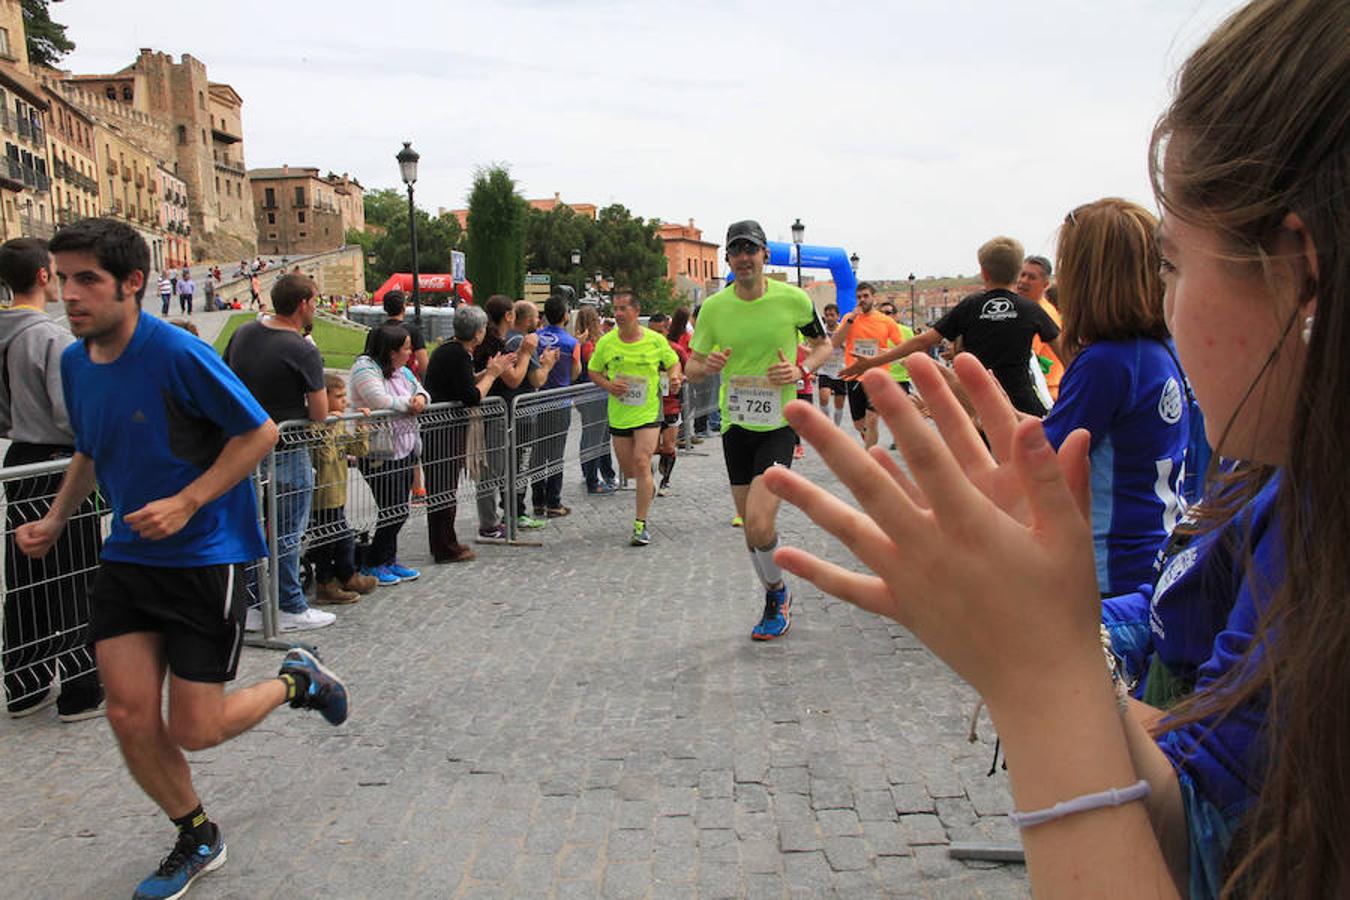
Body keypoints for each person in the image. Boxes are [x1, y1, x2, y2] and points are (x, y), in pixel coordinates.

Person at [765, 0, 1346, 893]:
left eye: (1177, 264)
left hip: (1116, 573)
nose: (1167, 298)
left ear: (1298, 271)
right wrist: (1047, 652)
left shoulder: (1288, 497)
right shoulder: (1283, 482)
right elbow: (1217, 787)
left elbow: (1208, 839)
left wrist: (1037, 677)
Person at [17, 217, 347, 900]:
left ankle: (296, 681)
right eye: (63, 277)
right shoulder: (75, 361)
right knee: (127, 714)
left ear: (132, 282)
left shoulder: (176, 354)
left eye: (87, 280)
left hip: (206, 554)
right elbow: (89, 447)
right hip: (130, 558)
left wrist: (188, 502)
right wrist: (53, 518)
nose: (69, 295)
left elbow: (258, 432)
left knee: (194, 729)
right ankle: (196, 833)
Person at [684, 220, 831, 639]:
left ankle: (774, 596)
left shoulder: (794, 300)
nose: (744, 258)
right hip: (736, 426)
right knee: (750, 528)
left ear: (766, 255)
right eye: (736, 251)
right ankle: (775, 588)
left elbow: (824, 345)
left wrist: (801, 369)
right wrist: (705, 367)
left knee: (760, 523)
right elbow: (690, 369)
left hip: (779, 425)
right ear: (728, 260)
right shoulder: (713, 308)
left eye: (751, 250)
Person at [1040, 198, 1190, 596]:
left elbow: (1043, 462)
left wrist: (975, 412)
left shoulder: (1104, 363)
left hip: (1111, 572)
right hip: (1155, 553)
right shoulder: (1161, 350)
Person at [0, 237, 105, 722]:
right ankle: (82, 688)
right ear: (44, 276)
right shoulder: (51, 337)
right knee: (76, 573)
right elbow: (71, 415)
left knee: (24, 577)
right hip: (59, 459)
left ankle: (24, 684)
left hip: (21, 455)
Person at [224, 274, 334, 632]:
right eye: (315, 301)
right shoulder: (303, 349)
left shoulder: (244, 333)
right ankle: (289, 603)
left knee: (254, 528)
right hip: (285, 448)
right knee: (287, 531)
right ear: (302, 304)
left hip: (243, 447)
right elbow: (319, 413)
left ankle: (255, 604)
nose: (316, 307)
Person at [843, 237, 1061, 417]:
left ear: (984, 273)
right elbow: (1067, 354)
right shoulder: (1030, 309)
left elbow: (922, 341)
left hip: (977, 403)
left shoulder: (971, 305)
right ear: (1016, 273)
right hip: (1022, 403)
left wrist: (872, 361)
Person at [587, 290, 681, 546]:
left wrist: (674, 376)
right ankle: (646, 479)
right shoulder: (607, 342)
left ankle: (640, 525)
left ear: (636, 312)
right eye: (615, 309)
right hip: (619, 413)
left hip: (649, 411)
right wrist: (609, 386)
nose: (617, 314)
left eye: (622, 309)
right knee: (630, 470)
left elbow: (673, 362)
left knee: (640, 462)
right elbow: (593, 371)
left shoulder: (654, 340)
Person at [421, 305, 511, 562]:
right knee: (444, 490)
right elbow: (471, 397)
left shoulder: (451, 351)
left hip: (441, 428)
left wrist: (487, 371)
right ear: (478, 332)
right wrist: (492, 375)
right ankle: (444, 546)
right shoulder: (457, 354)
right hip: (443, 430)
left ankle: (444, 542)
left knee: (443, 490)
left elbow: (463, 381)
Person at [348, 324, 429, 585]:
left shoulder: (401, 370)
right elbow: (379, 400)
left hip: (404, 447)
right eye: (405, 348)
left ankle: (388, 559)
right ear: (391, 351)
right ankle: (372, 561)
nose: (410, 353)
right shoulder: (364, 368)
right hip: (378, 450)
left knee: (397, 507)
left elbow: (421, 389)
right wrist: (410, 404)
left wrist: (420, 398)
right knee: (393, 509)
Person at [305, 374, 378, 604]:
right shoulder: (315, 425)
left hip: (338, 493)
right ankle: (330, 581)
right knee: (336, 539)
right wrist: (327, 425)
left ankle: (343, 577)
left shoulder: (336, 423)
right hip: (322, 497)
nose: (344, 401)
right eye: (339, 396)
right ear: (322, 398)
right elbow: (324, 456)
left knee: (338, 538)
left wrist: (361, 427)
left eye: (344, 396)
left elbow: (358, 450)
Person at [472, 295, 540, 539]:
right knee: (493, 469)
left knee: (496, 468)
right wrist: (525, 353)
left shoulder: (493, 340)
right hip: (495, 411)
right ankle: (489, 523)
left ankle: (493, 520)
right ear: (509, 316)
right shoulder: (496, 343)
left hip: (495, 410)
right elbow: (513, 379)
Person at [833, 281, 903, 448]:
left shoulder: (886, 321)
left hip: (877, 376)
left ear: (874, 298)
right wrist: (850, 320)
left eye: (865, 296)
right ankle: (869, 443)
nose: (862, 300)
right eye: (859, 297)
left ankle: (870, 458)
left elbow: (901, 346)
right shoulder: (849, 319)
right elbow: (835, 342)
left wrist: (886, 353)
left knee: (872, 420)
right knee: (859, 424)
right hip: (854, 376)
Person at [530, 294, 582, 516]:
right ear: (565, 316)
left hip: (536, 400)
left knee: (538, 452)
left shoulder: (535, 337)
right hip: (559, 401)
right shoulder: (572, 343)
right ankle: (554, 501)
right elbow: (575, 371)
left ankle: (537, 501)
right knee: (556, 452)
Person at [574, 305, 618, 495]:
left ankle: (590, 472)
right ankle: (598, 476)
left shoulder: (578, 341)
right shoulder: (592, 344)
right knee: (599, 437)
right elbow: (598, 368)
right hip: (597, 392)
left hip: (583, 394)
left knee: (589, 434)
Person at [646, 313, 689, 495]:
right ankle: (651, 478)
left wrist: (679, 379)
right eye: (651, 331)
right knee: (651, 448)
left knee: (669, 446)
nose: (655, 336)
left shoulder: (675, 350)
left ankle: (665, 481)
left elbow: (688, 372)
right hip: (649, 406)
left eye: (659, 332)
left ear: (666, 330)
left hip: (671, 404)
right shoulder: (644, 351)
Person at [1018, 254, 1065, 402]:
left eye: (1031, 277)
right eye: (1022, 275)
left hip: (1044, 392)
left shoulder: (1040, 314)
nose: (1023, 281)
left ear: (1045, 284)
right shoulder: (1035, 309)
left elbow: (1026, 355)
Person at [814, 303, 847, 427]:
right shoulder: (821, 331)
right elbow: (815, 346)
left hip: (840, 370)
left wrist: (843, 345)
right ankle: (828, 425)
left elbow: (850, 347)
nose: (829, 318)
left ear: (838, 316)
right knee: (823, 397)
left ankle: (836, 427)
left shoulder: (842, 330)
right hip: (825, 370)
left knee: (839, 404)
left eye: (832, 315)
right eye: (827, 315)